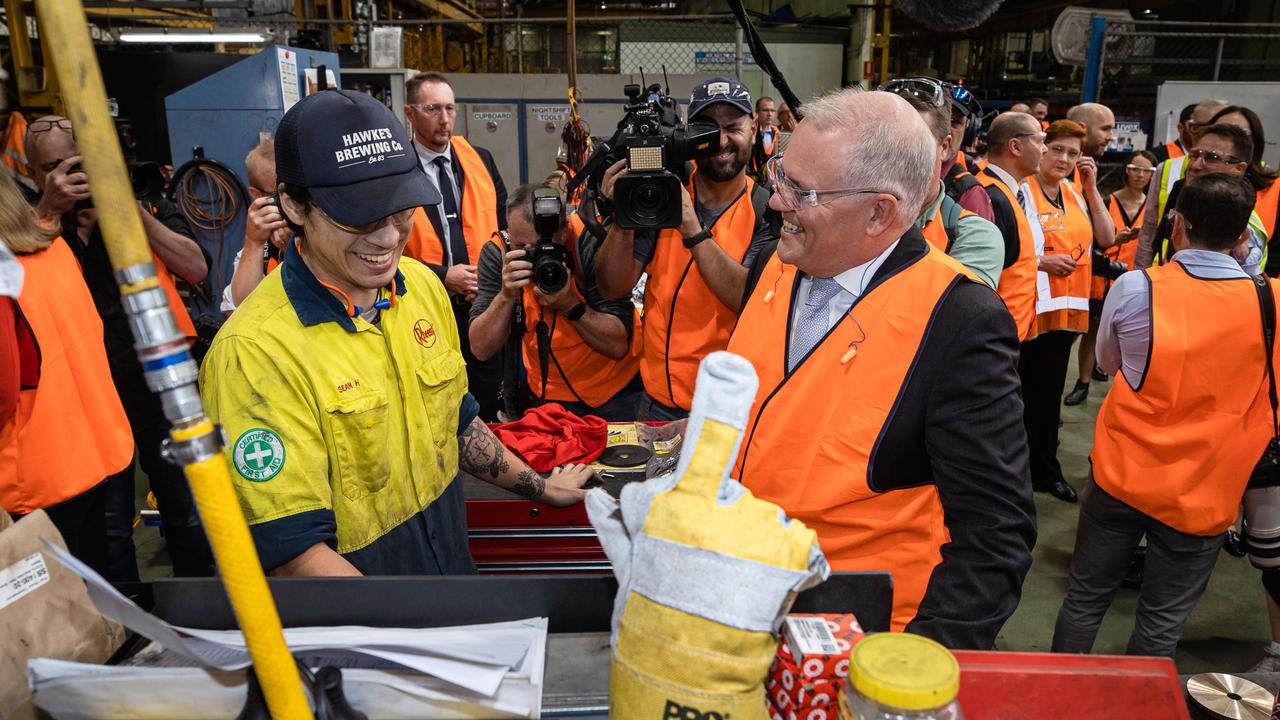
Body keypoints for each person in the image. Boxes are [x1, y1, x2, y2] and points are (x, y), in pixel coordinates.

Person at [199, 90, 595, 577]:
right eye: (359, 215)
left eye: (401, 209)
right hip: (369, 629)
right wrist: (411, 633)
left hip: (451, 584)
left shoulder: (422, 289)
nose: (387, 237)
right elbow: (293, 556)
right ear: (295, 206)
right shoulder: (255, 353)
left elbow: (454, 422)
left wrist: (539, 486)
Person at [729, 88, 1035, 650]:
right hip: (742, 602)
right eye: (781, 176)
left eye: (802, 191)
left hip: (857, 636)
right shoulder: (776, 264)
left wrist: (911, 667)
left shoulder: (958, 318)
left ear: (880, 212)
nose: (776, 202)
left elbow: (994, 536)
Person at [1053, 173, 1276, 658]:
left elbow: (1108, 364)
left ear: (1177, 225)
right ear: (1244, 235)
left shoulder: (1137, 286)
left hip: (1121, 475)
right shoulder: (1271, 300)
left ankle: (1059, 698)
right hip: (1207, 490)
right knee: (1161, 621)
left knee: (1085, 599)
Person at [26, 115, 214, 580]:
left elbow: (197, 267)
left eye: (77, 163)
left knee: (191, 515)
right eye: (53, 167)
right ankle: (128, 631)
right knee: (107, 534)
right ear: (34, 175)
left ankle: (206, 617)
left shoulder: (146, 204)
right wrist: (50, 210)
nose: (69, 175)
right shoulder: (30, 222)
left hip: (159, 392)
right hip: (83, 404)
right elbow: (13, 274)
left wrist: (125, 212)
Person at [594, 76, 776, 421]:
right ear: (689, 135)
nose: (721, 141)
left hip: (728, 413)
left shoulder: (767, 210)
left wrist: (692, 228)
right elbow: (612, 286)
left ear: (753, 128)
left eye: (733, 128)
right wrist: (624, 215)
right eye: (707, 129)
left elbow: (748, 298)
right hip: (657, 402)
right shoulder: (662, 195)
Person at [0, 172, 134, 576]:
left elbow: (4, 390)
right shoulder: (55, 250)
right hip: (99, 450)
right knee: (106, 593)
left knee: (51, 621)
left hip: (34, 478)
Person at [469, 184, 641, 421]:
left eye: (542, 245)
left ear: (563, 230)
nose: (537, 255)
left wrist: (571, 306)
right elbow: (480, 348)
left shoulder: (589, 239)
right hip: (545, 398)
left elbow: (618, 345)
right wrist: (506, 295)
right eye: (522, 247)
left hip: (615, 394)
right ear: (510, 231)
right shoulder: (499, 253)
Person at [401, 72, 509, 421]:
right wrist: (443, 276)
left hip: (481, 306)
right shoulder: (394, 170)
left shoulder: (481, 159)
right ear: (410, 113)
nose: (444, 119)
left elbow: (504, 226)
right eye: (433, 109)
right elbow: (381, 248)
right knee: (436, 404)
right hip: (423, 308)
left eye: (450, 108)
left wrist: (491, 276)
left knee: (484, 400)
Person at [1021, 120, 1116, 504]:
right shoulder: (1021, 191)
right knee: (1019, 398)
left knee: (1046, 401)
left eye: (1073, 153)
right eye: (1057, 149)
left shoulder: (1076, 194)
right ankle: (1015, 474)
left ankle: (1043, 471)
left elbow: (1107, 239)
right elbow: (1009, 247)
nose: (1064, 158)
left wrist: (1092, 188)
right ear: (1041, 149)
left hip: (1063, 317)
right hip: (1026, 312)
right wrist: (1041, 262)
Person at [885, 79, 1005, 288]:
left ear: (944, 145)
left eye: (916, 141)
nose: (899, 152)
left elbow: (953, 313)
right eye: (886, 139)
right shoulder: (847, 210)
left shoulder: (969, 227)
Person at [1065, 150, 1154, 406]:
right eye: (1136, 168)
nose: (1140, 175)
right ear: (1126, 169)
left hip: (1134, 281)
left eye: (1146, 171)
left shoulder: (1152, 207)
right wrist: (1116, 240)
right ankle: (1082, 382)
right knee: (1087, 331)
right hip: (1101, 278)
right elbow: (1092, 241)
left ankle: (1114, 381)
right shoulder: (1106, 201)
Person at [1143, 124, 1266, 274]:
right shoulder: (1182, 196)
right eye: (1193, 155)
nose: (1195, 165)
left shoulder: (1244, 222)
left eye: (1211, 158)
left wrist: (1245, 257)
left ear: (1238, 169)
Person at [975, 111, 1043, 341]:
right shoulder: (991, 197)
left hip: (1004, 333)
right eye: (1040, 141)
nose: (1044, 149)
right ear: (1015, 146)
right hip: (992, 337)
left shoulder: (1005, 192)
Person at [1136, 98, 1227, 268]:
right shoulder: (1167, 168)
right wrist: (1141, 274)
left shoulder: (1246, 175)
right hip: (1166, 271)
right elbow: (1148, 230)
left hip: (1220, 277)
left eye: (1212, 127)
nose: (1203, 134)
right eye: (1196, 127)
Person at [222, 137, 291, 313]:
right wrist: (254, 241)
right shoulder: (259, 244)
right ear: (257, 195)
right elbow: (238, 308)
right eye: (279, 193)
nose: (291, 203)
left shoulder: (322, 225)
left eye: (294, 190)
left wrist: (296, 247)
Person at [1207, 105, 1279, 260]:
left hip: (1258, 281)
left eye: (1240, 133)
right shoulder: (1187, 181)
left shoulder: (1274, 187)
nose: (1227, 141)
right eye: (1220, 131)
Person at [939, 82, 995, 221]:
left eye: (955, 122)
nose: (947, 130)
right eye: (940, 120)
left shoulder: (971, 195)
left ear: (968, 131)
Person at [750, 95, 780, 184]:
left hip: (773, 180)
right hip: (753, 179)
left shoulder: (780, 134)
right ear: (757, 112)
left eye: (772, 110)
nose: (769, 114)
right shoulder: (750, 133)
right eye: (765, 110)